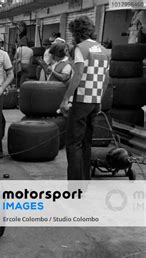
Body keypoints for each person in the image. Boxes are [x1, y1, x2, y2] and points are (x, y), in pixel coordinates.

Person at [59, 16, 110, 180]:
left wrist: (65, 99)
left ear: (76, 32)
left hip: (81, 101)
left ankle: (75, 187)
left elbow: (78, 74)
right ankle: (84, 182)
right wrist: (99, 100)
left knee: (73, 143)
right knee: (87, 143)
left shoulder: (81, 48)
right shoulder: (103, 50)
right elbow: (106, 78)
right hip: (95, 102)